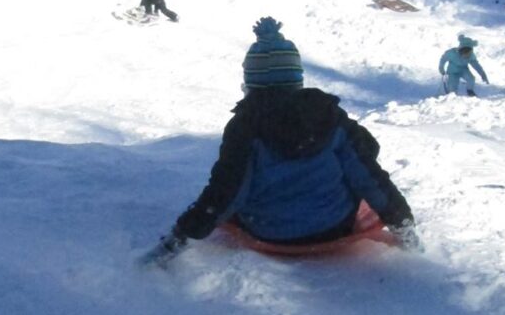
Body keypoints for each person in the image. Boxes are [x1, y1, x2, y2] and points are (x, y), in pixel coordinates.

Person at [143, 17, 418, 262]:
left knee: (238, 197)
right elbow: (369, 175)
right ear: (296, 79)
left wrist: (180, 236)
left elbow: (227, 191)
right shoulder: (329, 117)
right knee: (355, 165)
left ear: (251, 83)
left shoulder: (246, 126)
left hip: (270, 231)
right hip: (334, 227)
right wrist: (402, 223)